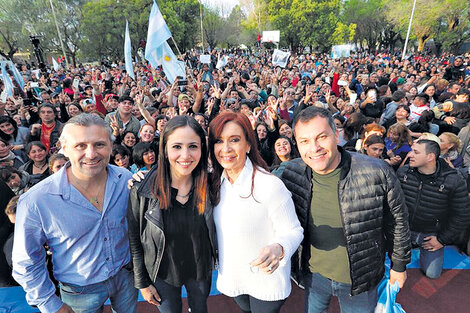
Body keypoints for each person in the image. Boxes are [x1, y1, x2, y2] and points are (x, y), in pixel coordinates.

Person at [275, 107, 411, 313]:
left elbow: (397, 221)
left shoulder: (376, 171)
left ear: (336, 135)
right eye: (304, 141)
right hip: (313, 276)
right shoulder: (291, 173)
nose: (314, 148)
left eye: (321, 137)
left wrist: (398, 265)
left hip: (360, 279)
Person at [12, 113, 138, 313]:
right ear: (64, 149)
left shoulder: (125, 179)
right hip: (79, 290)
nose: (91, 154)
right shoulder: (37, 200)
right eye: (80, 146)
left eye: (99, 144)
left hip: (125, 276)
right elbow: (26, 260)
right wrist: (49, 303)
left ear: (111, 147)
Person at [208, 112, 303, 313]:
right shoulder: (215, 184)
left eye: (234, 140)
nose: (226, 149)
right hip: (234, 279)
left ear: (249, 144)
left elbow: (294, 230)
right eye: (219, 141)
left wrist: (279, 248)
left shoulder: (270, 185)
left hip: (266, 280)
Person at [128, 115, 217, 313]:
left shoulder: (211, 185)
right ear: (165, 149)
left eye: (193, 146)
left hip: (200, 269)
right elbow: (135, 238)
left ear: (202, 149)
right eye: (177, 146)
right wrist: (142, 282)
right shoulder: (142, 189)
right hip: (162, 272)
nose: (185, 155)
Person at [397, 139, 470, 279]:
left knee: (432, 274)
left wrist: (441, 240)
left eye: (416, 152)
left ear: (430, 157)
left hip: (431, 234)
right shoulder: (403, 172)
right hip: (403, 230)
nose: (410, 154)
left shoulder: (453, 180)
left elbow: (462, 215)